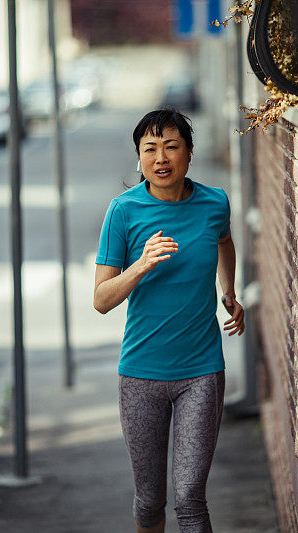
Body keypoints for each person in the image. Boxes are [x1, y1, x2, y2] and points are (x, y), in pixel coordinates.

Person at [93, 109, 244, 533]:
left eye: (172, 146)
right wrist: (140, 265)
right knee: (149, 502)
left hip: (202, 370)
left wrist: (228, 292)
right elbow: (101, 300)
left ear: (189, 153)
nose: (161, 157)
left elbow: (225, 241)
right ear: (139, 159)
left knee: (191, 500)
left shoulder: (214, 202)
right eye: (150, 149)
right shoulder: (123, 211)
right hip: (141, 376)